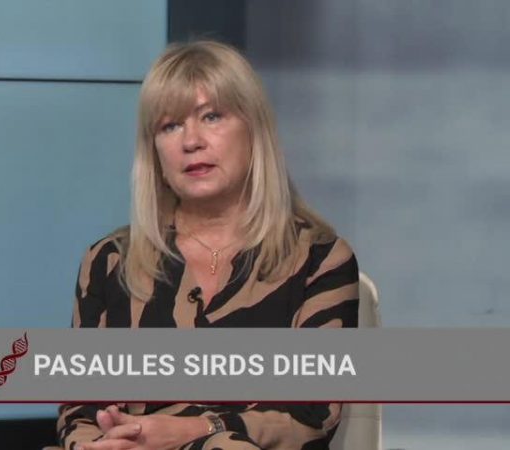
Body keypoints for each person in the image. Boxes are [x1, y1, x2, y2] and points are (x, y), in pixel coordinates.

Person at [57, 40, 359, 450]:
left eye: (211, 116)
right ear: (154, 152)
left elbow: (313, 413)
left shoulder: (320, 260)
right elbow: (79, 409)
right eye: (170, 126)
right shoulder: (109, 261)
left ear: (254, 130)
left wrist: (193, 431)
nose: (191, 141)